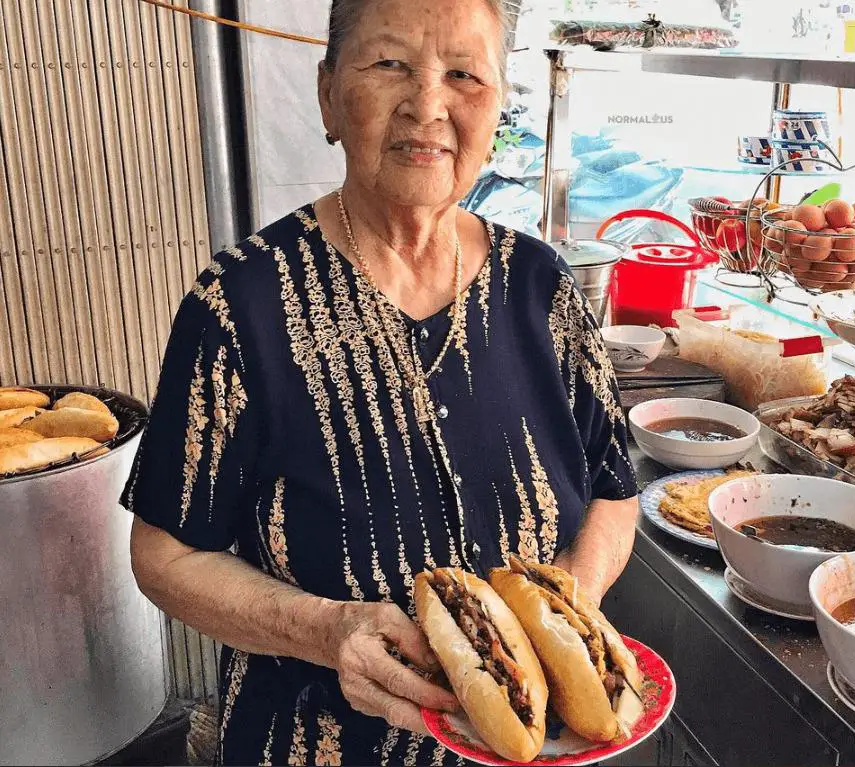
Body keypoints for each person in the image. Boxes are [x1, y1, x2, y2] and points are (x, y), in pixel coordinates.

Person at [124, 0, 639, 763]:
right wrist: (325, 631)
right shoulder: (240, 306)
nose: (428, 104)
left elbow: (615, 485)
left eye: (464, 74)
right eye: (390, 63)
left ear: (497, 105)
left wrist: (564, 616)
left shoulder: (542, 287)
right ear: (330, 95)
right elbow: (162, 553)